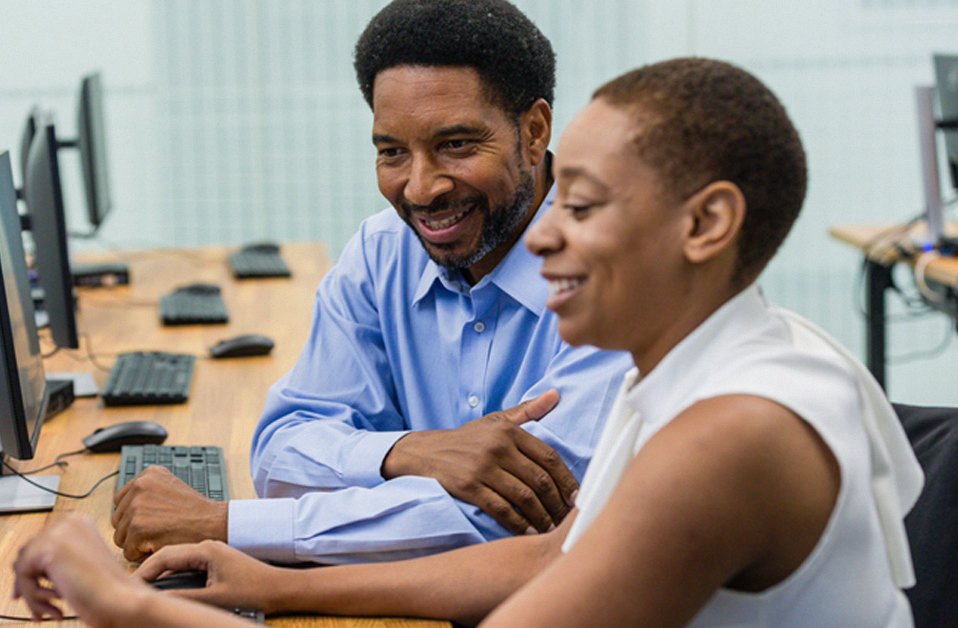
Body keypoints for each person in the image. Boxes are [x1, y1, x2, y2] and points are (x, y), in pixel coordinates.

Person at [13, 57, 924, 627]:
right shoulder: (708, 368)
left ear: (706, 225)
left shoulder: (733, 435)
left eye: (583, 205)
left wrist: (124, 603)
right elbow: (546, 556)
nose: (543, 236)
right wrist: (273, 582)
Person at [110, 0, 630, 565]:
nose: (421, 189)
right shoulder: (384, 250)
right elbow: (281, 455)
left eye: (456, 145)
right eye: (393, 153)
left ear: (534, 133)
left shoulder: (616, 276)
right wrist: (412, 453)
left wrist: (224, 525)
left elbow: (519, 524)